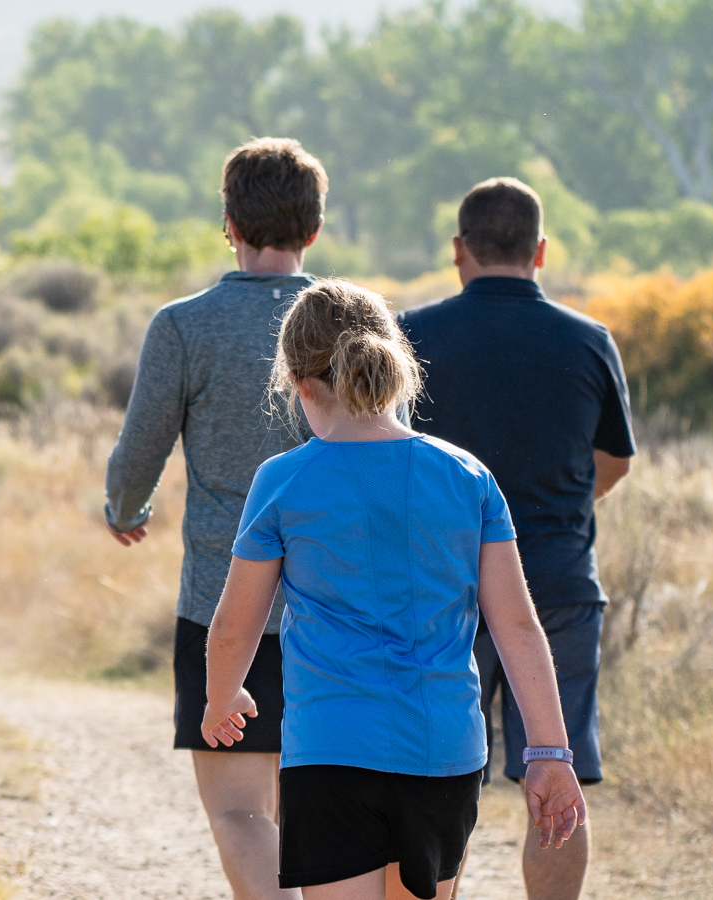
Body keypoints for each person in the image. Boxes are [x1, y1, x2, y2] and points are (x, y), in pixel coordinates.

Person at [201, 278, 587, 900]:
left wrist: (222, 698)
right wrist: (549, 751)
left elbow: (233, 625)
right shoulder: (468, 476)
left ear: (300, 386)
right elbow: (516, 625)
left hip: (331, 751)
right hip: (443, 753)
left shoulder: (283, 481)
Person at [396, 177, 634, 900]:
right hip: (557, 584)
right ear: (540, 250)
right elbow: (616, 460)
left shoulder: (408, 336)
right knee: (558, 785)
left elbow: (384, 456)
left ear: (458, 250)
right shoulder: (589, 341)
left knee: (438, 783)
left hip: (441, 587)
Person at [104, 137, 326, 900]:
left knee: (240, 811)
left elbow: (139, 453)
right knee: (326, 808)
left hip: (223, 603)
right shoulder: (354, 319)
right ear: (315, 229)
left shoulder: (183, 325)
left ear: (227, 222)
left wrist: (125, 510)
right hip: (343, 604)